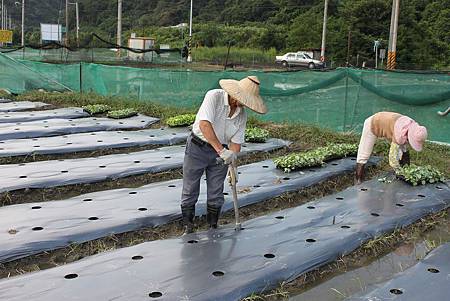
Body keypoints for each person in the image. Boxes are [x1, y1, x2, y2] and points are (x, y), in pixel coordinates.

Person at [180, 76, 267, 234]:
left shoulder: (241, 115)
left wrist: (233, 163)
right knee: (190, 187)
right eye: (243, 100)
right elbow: (204, 125)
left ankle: (212, 225)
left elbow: (236, 142)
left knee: (216, 190)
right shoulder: (214, 96)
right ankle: (188, 225)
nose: (243, 104)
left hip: (221, 153)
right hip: (197, 147)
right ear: (235, 93)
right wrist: (222, 151)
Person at [355, 112, 427, 184]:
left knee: (403, 149)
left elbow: (404, 148)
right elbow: (392, 158)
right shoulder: (399, 134)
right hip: (373, 123)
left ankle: (404, 167)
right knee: (364, 152)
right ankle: (358, 179)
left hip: (389, 123)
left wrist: (407, 170)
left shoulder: (412, 126)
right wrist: (399, 171)